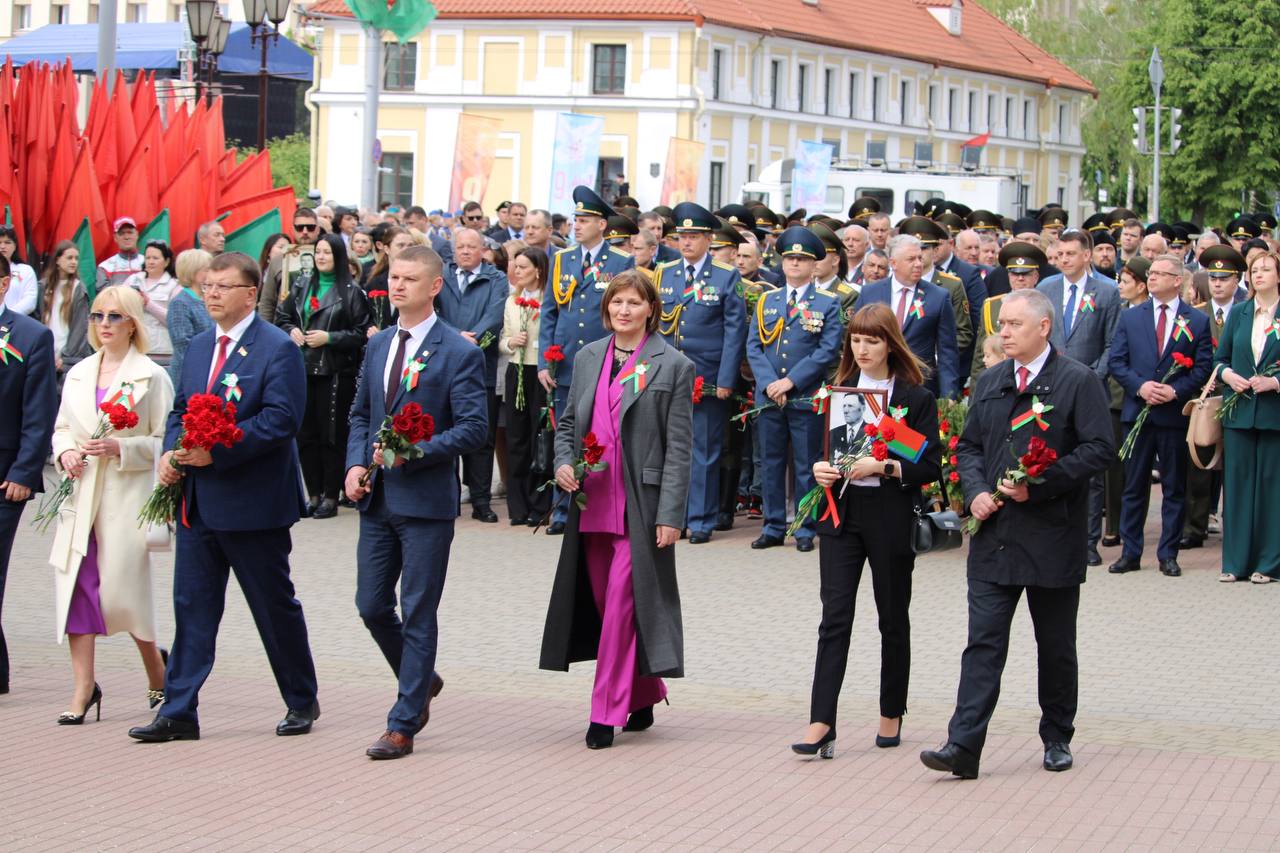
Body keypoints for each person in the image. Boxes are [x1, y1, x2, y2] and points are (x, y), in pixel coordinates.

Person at [921, 289, 1114, 780]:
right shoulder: (991, 379)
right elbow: (967, 446)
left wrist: (1041, 485)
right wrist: (978, 489)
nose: (1002, 333)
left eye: (1013, 325)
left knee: (1054, 644)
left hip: (1052, 535)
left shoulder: (1077, 380)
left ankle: (1057, 737)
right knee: (982, 643)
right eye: (1001, 324)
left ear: (1043, 328)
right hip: (995, 534)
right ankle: (963, 745)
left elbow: (1098, 450)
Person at [127, 252, 320, 743]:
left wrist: (219, 451)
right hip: (198, 503)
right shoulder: (196, 348)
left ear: (250, 293)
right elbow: (180, 409)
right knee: (192, 606)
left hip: (253, 503)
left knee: (272, 606)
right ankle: (178, 710)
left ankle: (301, 699)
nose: (210, 294)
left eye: (222, 286)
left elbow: (281, 420)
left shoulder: (276, 349)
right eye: (206, 286)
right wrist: (173, 452)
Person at [539, 268, 694, 750]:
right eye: (615, 303)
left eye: (632, 303)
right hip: (593, 503)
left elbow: (680, 448)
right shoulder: (588, 357)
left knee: (625, 607)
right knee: (611, 611)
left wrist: (672, 514)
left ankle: (604, 713)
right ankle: (647, 690)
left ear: (651, 309)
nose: (622, 311)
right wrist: (564, 463)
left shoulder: (673, 364)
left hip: (641, 508)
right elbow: (567, 424)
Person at [343, 245, 488, 759]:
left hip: (425, 500)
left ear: (433, 287)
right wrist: (356, 464)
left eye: (408, 278)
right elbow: (361, 413)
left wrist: (415, 451)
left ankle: (403, 722)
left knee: (418, 609)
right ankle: (422, 677)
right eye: (394, 277)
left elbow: (473, 428)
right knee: (371, 605)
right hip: (377, 499)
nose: (397, 286)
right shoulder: (380, 344)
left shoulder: (459, 351)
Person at [794, 303, 941, 759]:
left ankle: (891, 711)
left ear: (890, 343)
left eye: (872, 340)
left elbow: (929, 465)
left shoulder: (914, 397)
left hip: (890, 514)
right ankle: (821, 720)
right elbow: (821, 454)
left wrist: (885, 463)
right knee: (834, 617)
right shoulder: (839, 393)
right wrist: (820, 470)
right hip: (842, 513)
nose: (862, 349)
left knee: (892, 616)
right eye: (856, 340)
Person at [49, 286, 172, 723]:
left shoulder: (152, 376)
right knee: (78, 593)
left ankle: (158, 674)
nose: (104, 324)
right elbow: (63, 426)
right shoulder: (80, 371)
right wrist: (65, 451)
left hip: (125, 500)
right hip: (81, 498)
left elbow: (165, 441)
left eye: (115, 316)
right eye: (99, 315)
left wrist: (123, 450)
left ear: (133, 323)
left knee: (125, 595)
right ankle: (83, 688)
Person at [1107, 254, 1213, 578]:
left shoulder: (1195, 320)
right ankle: (1131, 552)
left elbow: (1204, 366)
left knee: (1173, 486)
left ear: (1177, 280)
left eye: (1159, 274)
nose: (1151, 278)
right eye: (1150, 273)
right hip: (1138, 412)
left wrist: (1176, 391)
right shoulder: (1131, 318)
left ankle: (1168, 553)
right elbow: (1117, 361)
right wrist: (1140, 387)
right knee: (1134, 485)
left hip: (1172, 415)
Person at [538, 187, 636, 535]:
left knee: (600, 434)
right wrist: (542, 362)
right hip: (565, 363)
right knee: (568, 433)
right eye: (576, 220)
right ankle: (564, 510)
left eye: (584, 220)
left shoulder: (620, 262)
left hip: (604, 361)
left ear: (601, 224)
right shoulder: (563, 259)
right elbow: (550, 312)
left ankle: (597, 506)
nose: (576, 226)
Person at [745, 227, 844, 551]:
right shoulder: (767, 299)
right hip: (770, 397)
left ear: (815, 264)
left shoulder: (828, 303)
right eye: (790, 258)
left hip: (804, 395)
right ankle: (773, 526)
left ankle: (803, 528)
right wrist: (769, 383)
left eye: (802, 259)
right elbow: (754, 347)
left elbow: (827, 351)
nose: (795, 264)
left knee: (805, 464)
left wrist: (790, 381)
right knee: (771, 463)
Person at [653, 202, 746, 543]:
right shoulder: (665, 273)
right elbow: (656, 327)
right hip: (667, 373)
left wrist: (725, 380)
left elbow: (735, 332)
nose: (687, 242)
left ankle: (701, 519)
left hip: (706, 378)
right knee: (667, 448)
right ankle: (672, 516)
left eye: (694, 236)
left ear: (709, 239)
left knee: (704, 450)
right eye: (682, 236)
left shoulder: (726, 275)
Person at [1035, 229, 1122, 566]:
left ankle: (1087, 542)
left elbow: (1113, 342)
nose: (1064, 259)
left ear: (1087, 256)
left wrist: (1091, 377)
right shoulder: (1046, 288)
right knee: (1047, 457)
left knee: (1089, 464)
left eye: (1071, 254)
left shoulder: (1107, 291)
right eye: (1060, 254)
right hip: (1050, 387)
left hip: (1090, 387)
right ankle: (1049, 534)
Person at [277, 234, 372, 519]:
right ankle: (313, 493)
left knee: (331, 434)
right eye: (318, 252)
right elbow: (282, 317)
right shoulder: (301, 285)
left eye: (327, 253)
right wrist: (290, 329)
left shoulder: (351, 291)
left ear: (338, 256)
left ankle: (331, 495)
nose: (320, 257)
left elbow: (361, 332)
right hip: (302, 367)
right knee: (305, 434)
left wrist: (329, 337)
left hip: (334, 371)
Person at [0, 254, 58, 696]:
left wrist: (25, 469)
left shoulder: (31, 336)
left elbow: (39, 411)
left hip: (5, 474)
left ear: (4, 286)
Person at [1214, 251, 1280, 583]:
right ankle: (1235, 562)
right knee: (1237, 489)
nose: (1259, 275)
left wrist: (1276, 382)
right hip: (1238, 412)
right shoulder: (1240, 313)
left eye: (1267, 269)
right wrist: (1228, 376)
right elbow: (1219, 359)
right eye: (1255, 270)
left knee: (1272, 489)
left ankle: (1268, 564)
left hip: (1274, 415)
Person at [436, 228, 509, 523]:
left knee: (482, 435)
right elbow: (432, 311)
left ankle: (481, 500)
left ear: (483, 250)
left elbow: (495, 314)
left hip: (482, 366)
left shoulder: (496, 279)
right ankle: (448, 499)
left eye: (471, 247)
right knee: (445, 432)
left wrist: (474, 338)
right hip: (444, 365)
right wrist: (454, 336)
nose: (465, 251)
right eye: (460, 247)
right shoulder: (441, 276)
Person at [1182, 245, 1248, 550]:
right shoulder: (1196, 315)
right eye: (1213, 278)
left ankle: (1237, 528)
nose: (1217, 283)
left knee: (1237, 468)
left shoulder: (1248, 310)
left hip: (1241, 396)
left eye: (1224, 278)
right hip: (1205, 398)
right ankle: (1195, 527)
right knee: (1199, 466)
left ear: (1237, 281)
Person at [857, 234, 961, 399]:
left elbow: (947, 351)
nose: (919, 264)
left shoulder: (938, 297)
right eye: (911, 259)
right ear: (893, 263)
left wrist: (949, 396)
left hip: (919, 386)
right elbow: (856, 338)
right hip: (875, 384)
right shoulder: (870, 293)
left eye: (920, 258)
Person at [499, 247, 551, 526]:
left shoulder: (548, 299)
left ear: (538, 270)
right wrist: (510, 343)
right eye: (515, 266)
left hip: (539, 371)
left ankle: (539, 504)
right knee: (516, 438)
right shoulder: (512, 300)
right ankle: (517, 506)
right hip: (516, 368)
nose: (517, 272)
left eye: (522, 267)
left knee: (538, 437)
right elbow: (503, 338)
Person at [37, 241, 93, 377]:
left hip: (67, 357)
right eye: (69, 258)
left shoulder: (78, 289)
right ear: (57, 260)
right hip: (46, 352)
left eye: (76, 258)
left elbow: (80, 329)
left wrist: (66, 359)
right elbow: (37, 320)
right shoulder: (43, 286)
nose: (74, 262)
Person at [122, 241, 181, 366]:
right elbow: (119, 306)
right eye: (148, 257)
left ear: (166, 261)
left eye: (155, 258)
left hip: (162, 351)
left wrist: (148, 303)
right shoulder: (133, 280)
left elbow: (174, 320)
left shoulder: (175, 285)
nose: (150, 261)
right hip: (135, 347)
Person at [258, 209, 322, 323]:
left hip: (319, 326)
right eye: (300, 227)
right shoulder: (278, 261)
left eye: (310, 227)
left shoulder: (329, 257)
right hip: (283, 327)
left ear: (317, 230)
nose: (305, 231)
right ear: (293, 230)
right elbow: (268, 302)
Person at [166, 249, 214, 385]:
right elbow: (183, 346)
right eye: (206, 269)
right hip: (188, 376)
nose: (211, 273)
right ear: (192, 272)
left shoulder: (207, 298)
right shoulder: (180, 303)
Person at [97, 218, 143, 291]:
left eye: (130, 232)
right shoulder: (105, 267)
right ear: (115, 238)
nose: (127, 237)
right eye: (122, 233)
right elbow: (103, 297)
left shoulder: (148, 263)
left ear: (137, 235)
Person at [0, 225, 37, 315]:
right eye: (0, 242)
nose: (2, 246)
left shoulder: (26, 270)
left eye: (7, 242)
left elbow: (30, 300)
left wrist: (7, 316)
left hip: (16, 323)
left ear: (15, 246)